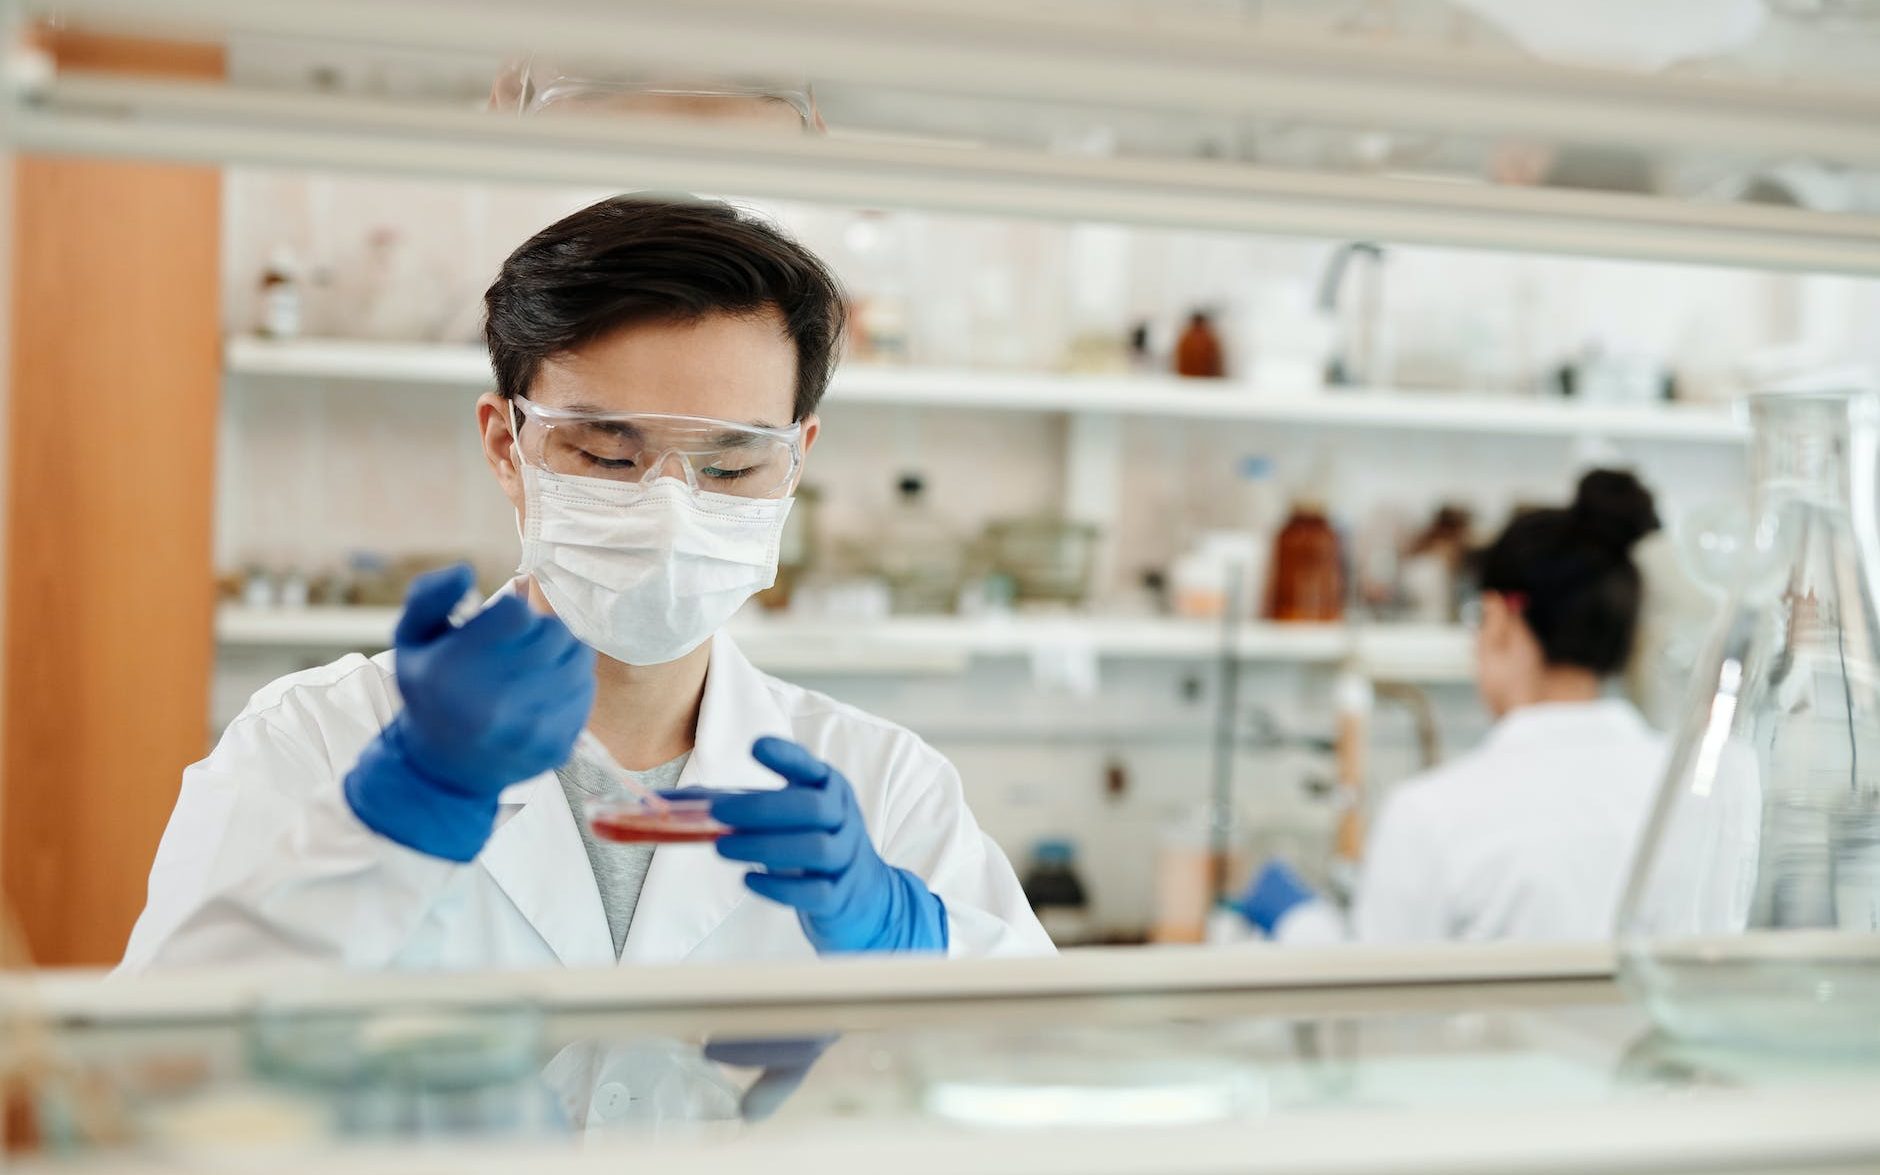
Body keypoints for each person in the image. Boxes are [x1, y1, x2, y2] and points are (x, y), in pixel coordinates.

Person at [124, 196, 1053, 970]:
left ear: (797, 462)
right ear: (506, 442)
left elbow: (1058, 1093)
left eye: (729, 469)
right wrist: (395, 822)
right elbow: (144, 1082)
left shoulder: (886, 788)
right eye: (611, 454)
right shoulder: (316, 742)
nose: (671, 511)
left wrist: (914, 939)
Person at [1239, 469, 1671, 944]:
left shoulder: (1430, 814)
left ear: (1500, 621)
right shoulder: (1708, 786)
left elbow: (1378, 999)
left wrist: (1300, 924)